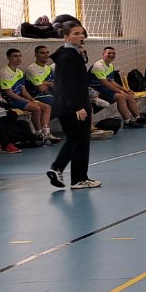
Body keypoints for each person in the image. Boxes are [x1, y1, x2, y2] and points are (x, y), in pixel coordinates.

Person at [47, 23, 99, 189]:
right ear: (66, 37)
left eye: (82, 33)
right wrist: (77, 106)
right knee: (81, 141)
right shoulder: (69, 56)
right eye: (76, 33)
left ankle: (58, 169)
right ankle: (78, 178)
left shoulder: (69, 53)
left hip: (65, 104)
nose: (81, 36)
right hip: (74, 105)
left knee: (74, 140)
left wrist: (82, 55)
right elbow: (67, 84)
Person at [0, 48, 54, 143]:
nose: (18, 58)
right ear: (8, 58)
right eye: (15, 56)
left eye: (20, 56)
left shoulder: (20, 72)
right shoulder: (4, 72)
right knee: (36, 108)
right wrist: (27, 101)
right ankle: (38, 132)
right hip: (9, 100)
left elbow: (23, 90)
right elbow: (9, 94)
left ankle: (46, 133)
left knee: (46, 107)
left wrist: (31, 99)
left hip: (19, 98)